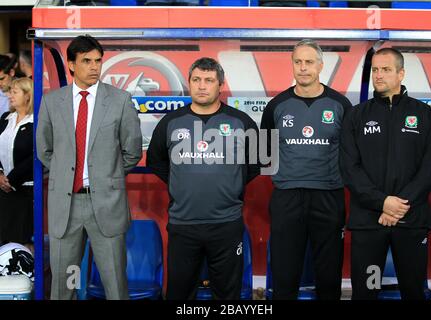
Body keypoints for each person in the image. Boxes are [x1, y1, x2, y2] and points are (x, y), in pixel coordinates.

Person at [36, 35, 142, 300]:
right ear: (71, 65)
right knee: (66, 284)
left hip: (106, 205)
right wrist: (65, 175)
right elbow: (44, 151)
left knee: (115, 285)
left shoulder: (119, 100)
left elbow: (132, 151)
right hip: (67, 209)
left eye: (98, 61)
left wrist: (107, 176)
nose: (94, 67)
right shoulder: (52, 102)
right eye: (86, 61)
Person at [147, 57, 259, 300]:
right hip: (183, 224)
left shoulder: (242, 122)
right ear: (189, 83)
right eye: (196, 79)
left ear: (221, 85)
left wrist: (230, 185)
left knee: (228, 294)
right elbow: (156, 162)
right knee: (179, 293)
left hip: (226, 223)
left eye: (209, 80)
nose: (201, 85)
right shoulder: (170, 122)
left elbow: (257, 163)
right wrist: (182, 182)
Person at [340, 48, 431, 300]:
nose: (378, 75)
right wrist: (382, 202)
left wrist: (399, 205)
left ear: (401, 73)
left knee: (413, 291)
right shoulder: (356, 115)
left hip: (411, 220)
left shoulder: (423, 114)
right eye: (375, 70)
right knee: (366, 292)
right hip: (368, 222)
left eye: (385, 69)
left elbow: (429, 169)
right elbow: (350, 168)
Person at [260, 39, 351, 300]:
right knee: (284, 272)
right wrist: (288, 175)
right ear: (292, 65)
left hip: (329, 195)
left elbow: (350, 153)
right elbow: (263, 155)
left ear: (320, 65)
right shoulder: (276, 105)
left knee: (329, 272)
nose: (303, 68)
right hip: (287, 197)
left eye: (309, 62)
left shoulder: (341, 105)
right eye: (297, 62)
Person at [0, 78, 34, 251]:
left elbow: (34, 156)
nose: (9, 95)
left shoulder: (36, 122)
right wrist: (0, 176)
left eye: (15, 92)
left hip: (25, 190)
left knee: (22, 240)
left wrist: (11, 179)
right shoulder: (6, 118)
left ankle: (29, 275)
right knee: (4, 239)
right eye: (10, 91)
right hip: (3, 189)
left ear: (27, 96)